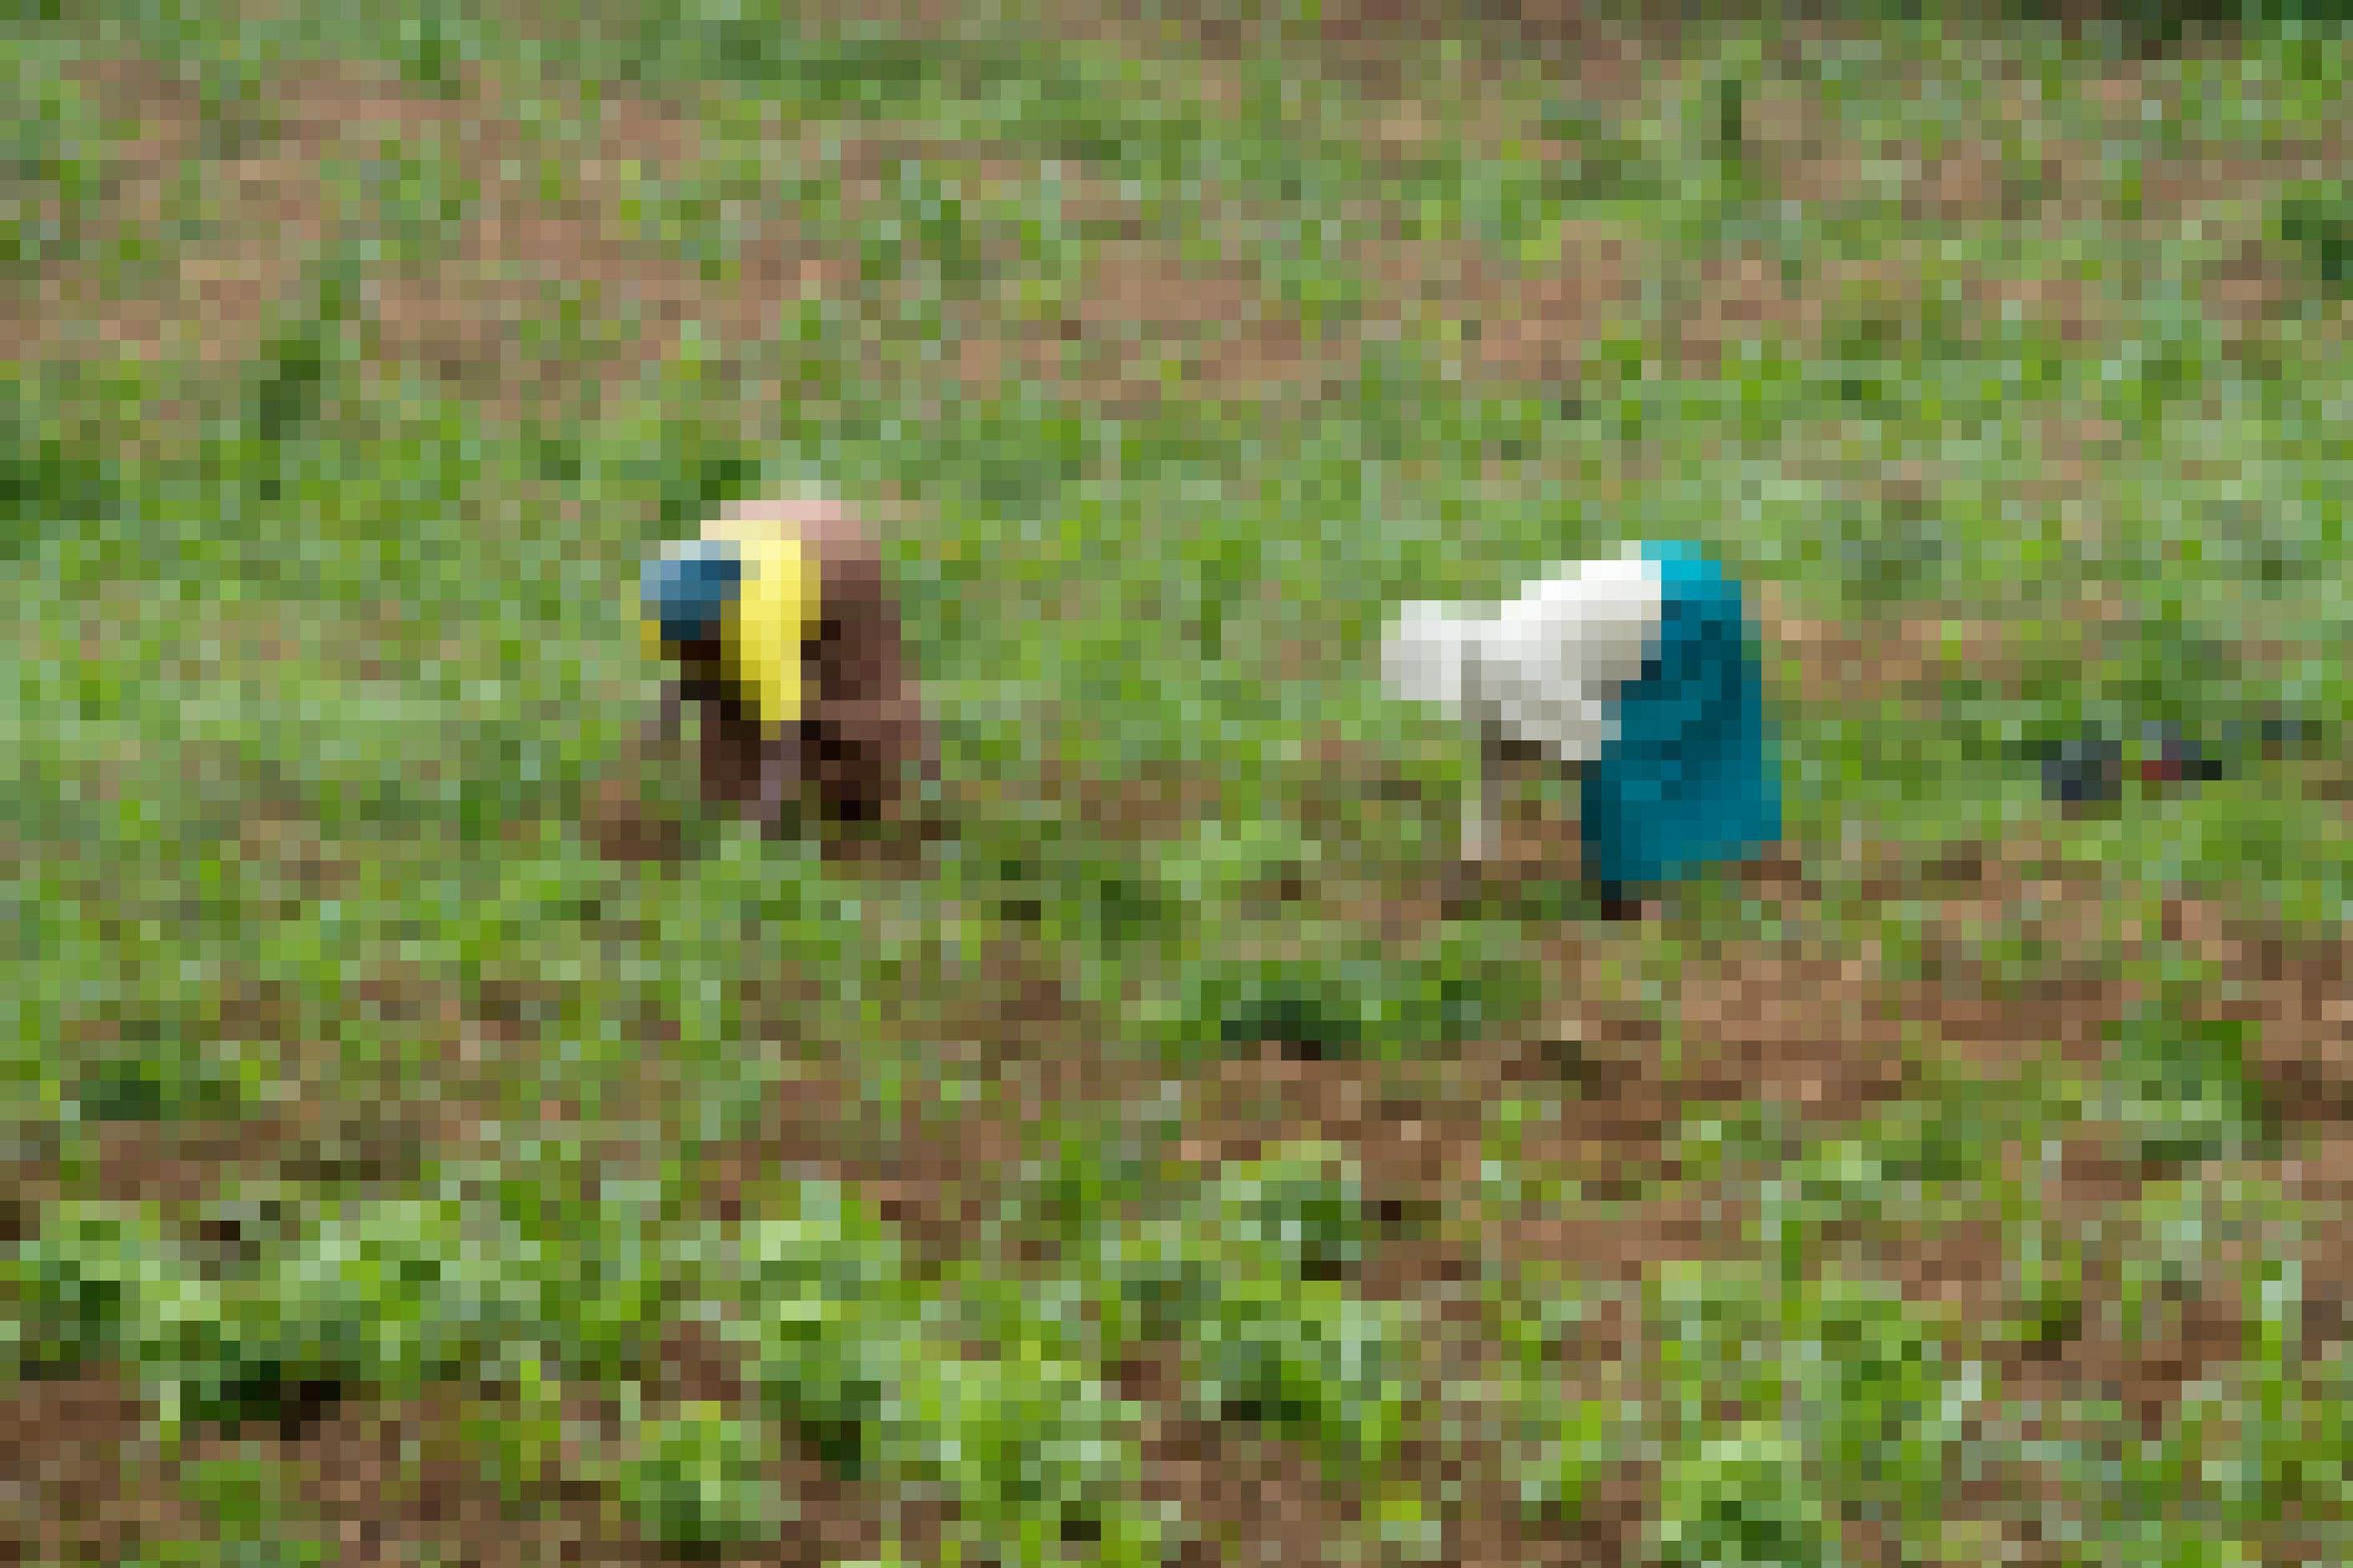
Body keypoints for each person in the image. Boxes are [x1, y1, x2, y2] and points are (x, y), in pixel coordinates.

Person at [1382, 540, 1781, 919]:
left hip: (1685, 610)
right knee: (1655, 745)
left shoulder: (1525, 675)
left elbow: (1604, 761)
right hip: (1666, 568)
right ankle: (1725, 842)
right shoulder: (1493, 649)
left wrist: (1615, 887)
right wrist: (1474, 859)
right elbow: (1494, 764)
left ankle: (1642, 884)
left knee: (1661, 745)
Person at [639, 495, 934, 833]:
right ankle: (730, 801)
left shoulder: (759, 631)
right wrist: (656, 745)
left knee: (848, 698)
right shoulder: (668, 608)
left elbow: (784, 735)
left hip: (836, 558)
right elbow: (681, 688)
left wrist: (767, 811)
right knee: (728, 706)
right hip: (760, 529)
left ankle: (890, 794)